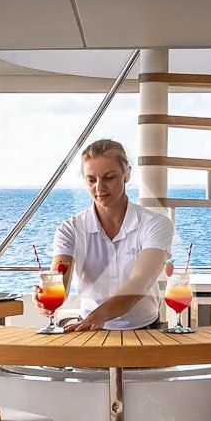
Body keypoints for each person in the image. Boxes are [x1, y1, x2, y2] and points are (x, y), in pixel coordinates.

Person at [51, 138, 174, 331]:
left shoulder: (156, 224)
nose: (99, 187)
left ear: (127, 174)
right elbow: (59, 282)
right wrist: (46, 295)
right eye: (91, 179)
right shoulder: (70, 229)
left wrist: (100, 315)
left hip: (145, 330)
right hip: (89, 329)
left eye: (109, 178)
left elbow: (140, 283)